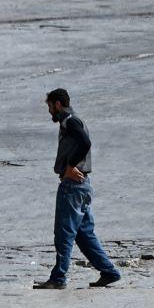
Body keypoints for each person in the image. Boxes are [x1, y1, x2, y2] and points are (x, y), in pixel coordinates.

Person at [34, 89, 120, 290]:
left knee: (64, 233)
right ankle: (109, 272)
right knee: (84, 234)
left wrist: (70, 166)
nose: (49, 112)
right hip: (82, 186)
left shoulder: (70, 121)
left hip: (73, 186)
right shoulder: (72, 121)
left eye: (49, 107)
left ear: (57, 104)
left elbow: (85, 142)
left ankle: (58, 278)